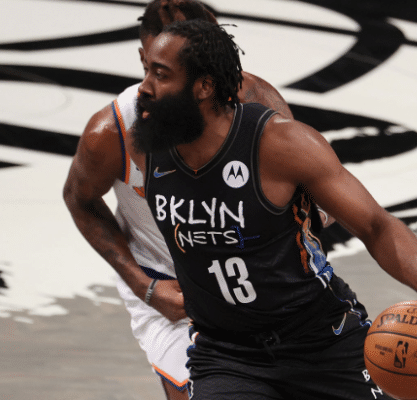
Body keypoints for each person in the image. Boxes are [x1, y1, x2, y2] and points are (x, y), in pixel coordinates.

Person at [126, 19, 417, 400]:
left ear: (204, 87)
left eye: (161, 75)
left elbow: (376, 225)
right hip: (227, 354)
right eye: (146, 71)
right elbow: (84, 202)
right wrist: (142, 284)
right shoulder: (143, 146)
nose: (144, 87)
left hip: (322, 339)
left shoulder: (281, 144)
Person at [62, 1, 296, 399]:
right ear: (146, 59)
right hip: (173, 292)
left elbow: (313, 194)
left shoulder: (256, 99)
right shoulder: (112, 132)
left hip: (257, 279)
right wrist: (143, 286)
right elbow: (78, 199)